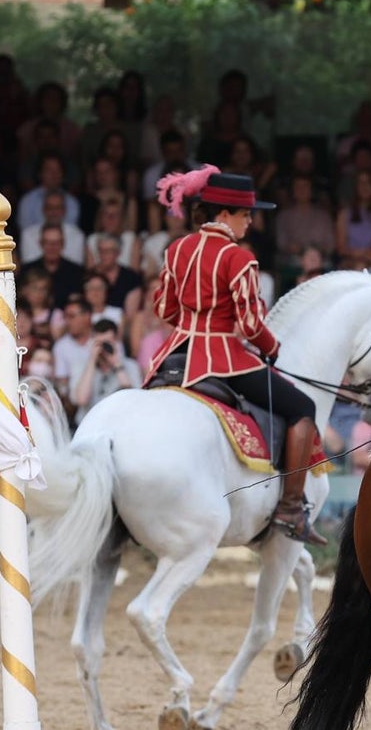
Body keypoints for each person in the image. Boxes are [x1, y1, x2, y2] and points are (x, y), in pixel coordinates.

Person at [143, 167, 326, 546]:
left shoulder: (176, 249)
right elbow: (249, 323)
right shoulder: (239, 258)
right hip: (223, 358)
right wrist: (272, 347)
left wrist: (192, 320)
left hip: (174, 352)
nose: (250, 220)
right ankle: (291, 508)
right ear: (224, 214)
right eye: (246, 214)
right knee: (303, 406)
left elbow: (164, 308)